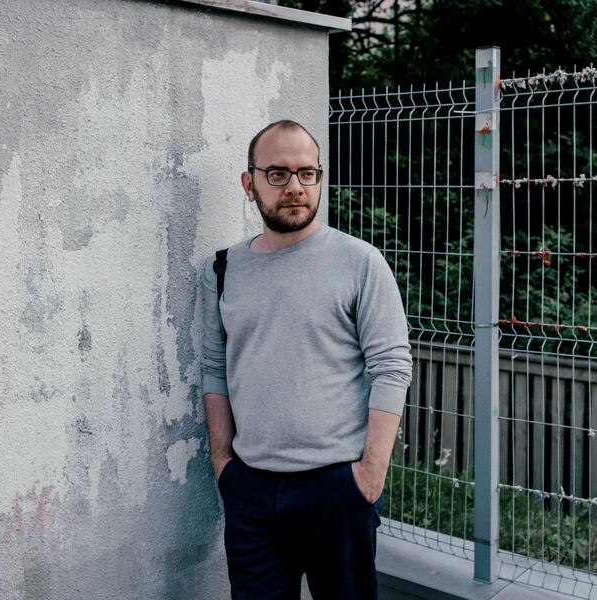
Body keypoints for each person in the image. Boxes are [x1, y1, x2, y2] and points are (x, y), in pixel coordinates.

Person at [200, 119, 412, 600]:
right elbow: (216, 368)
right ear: (248, 183)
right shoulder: (224, 270)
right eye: (277, 174)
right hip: (251, 491)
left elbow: (392, 366)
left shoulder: (360, 262)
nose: (294, 187)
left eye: (307, 173)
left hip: (337, 490)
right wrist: (223, 462)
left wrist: (368, 476)